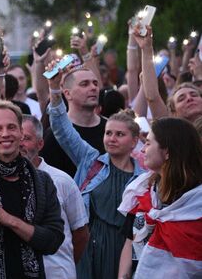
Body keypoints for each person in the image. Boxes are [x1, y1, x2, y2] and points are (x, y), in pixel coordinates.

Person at [46, 64, 144, 279]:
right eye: (108, 133)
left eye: (120, 134)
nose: (112, 138)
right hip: (89, 249)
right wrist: (54, 90)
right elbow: (61, 127)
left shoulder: (145, 176)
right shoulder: (91, 160)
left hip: (128, 249)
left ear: (134, 141)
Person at [0, 100, 64, 279]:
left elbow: (53, 240)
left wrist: (9, 220)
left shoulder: (42, 181)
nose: (5, 134)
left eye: (11, 127)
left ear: (21, 132)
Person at [117, 118, 202, 278]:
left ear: (167, 151)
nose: (143, 150)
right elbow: (130, 242)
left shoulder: (197, 202)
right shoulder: (142, 191)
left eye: (148, 143)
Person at [20, 114, 89, 278]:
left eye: (26, 138)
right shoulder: (0, 180)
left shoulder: (62, 181)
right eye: (17, 138)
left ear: (40, 143)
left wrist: (63, 264)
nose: (20, 144)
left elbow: (81, 233)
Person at [40, 67, 107, 178]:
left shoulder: (110, 129)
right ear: (67, 94)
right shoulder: (53, 134)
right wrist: (54, 87)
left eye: (95, 83)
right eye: (84, 84)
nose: (93, 88)